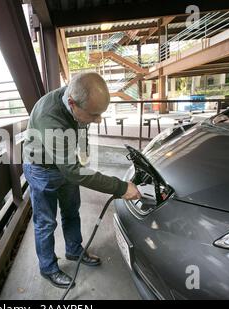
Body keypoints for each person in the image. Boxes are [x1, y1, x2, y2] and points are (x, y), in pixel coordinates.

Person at [23, 72, 141, 289]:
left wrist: (83, 151)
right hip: (42, 169)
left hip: (65, 163)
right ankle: (48, 267)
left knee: (71, 211)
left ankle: (74, 250)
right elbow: (74, 172)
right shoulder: (50, 118)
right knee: (46, 222)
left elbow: (81, 128)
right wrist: (121, 187)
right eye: (94, 114)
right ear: (72, 104)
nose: (99, 120)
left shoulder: (76, 100)